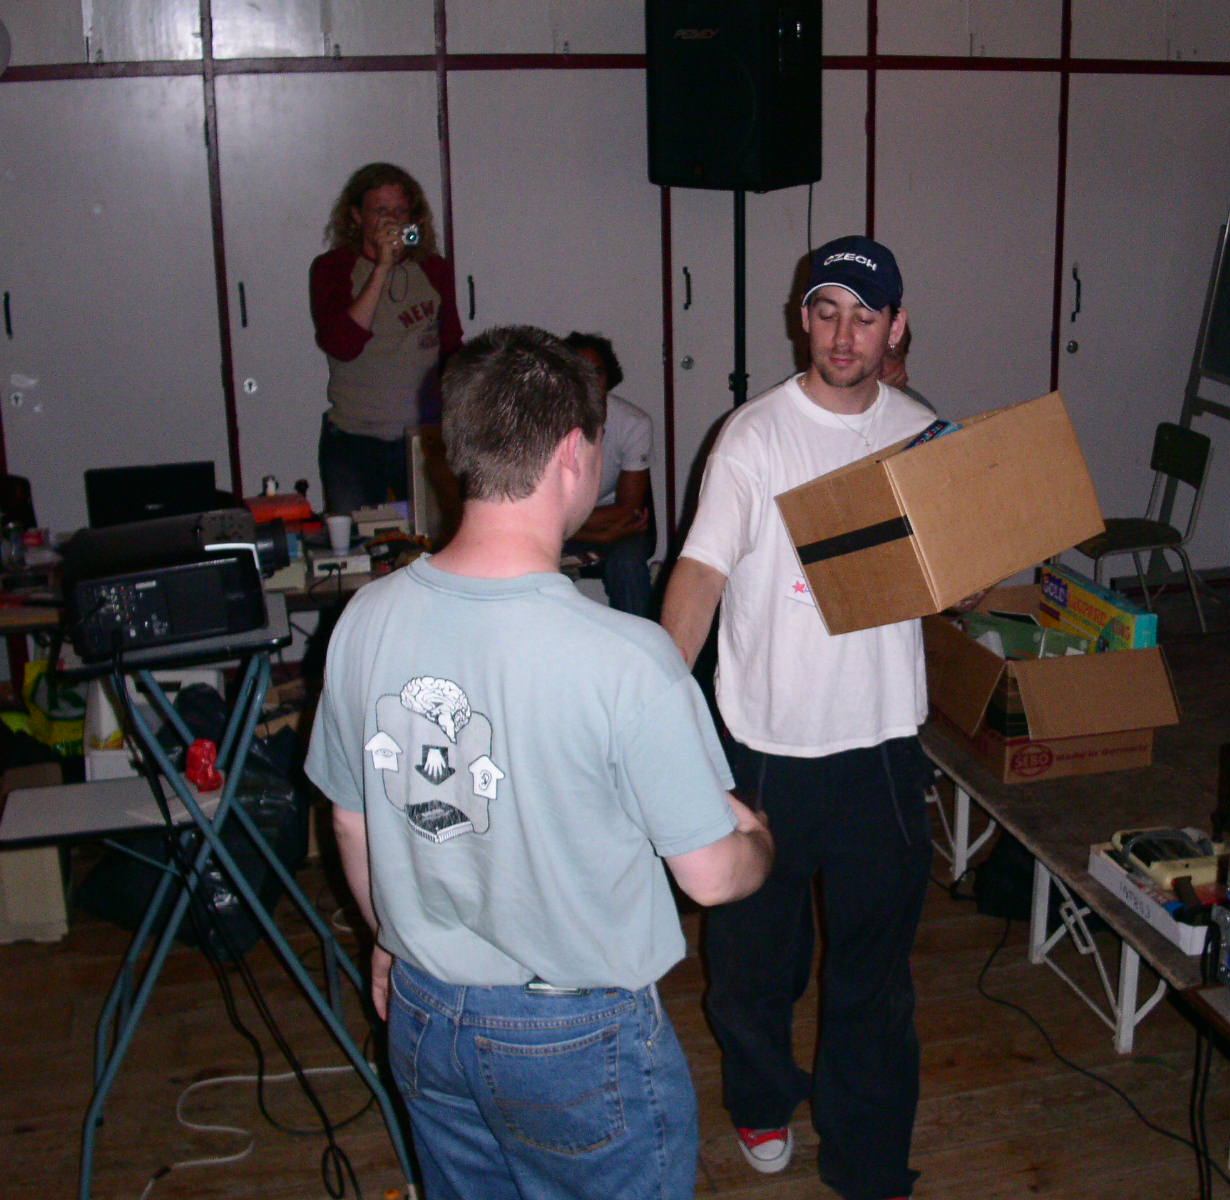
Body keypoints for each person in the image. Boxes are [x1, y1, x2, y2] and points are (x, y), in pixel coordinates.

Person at [304, 325, 774, 1200]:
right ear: (572, 454)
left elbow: (350, 818)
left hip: (424, 1011)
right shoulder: (627, 658)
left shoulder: (363, 620)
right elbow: (711, 878)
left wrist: (388, 941)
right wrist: (757, 841)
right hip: (575, 1039)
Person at [660, 235, 935, 1200]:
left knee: (875, 979)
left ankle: (866, 1160)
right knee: (753, 968)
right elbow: (700, 573)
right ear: (801, 317)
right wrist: (658, 700)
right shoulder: (753, 436)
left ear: (895, 326)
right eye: (826, 312)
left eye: (864, 316)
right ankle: (763, 1097)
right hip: (768, 752)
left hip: (885, 749)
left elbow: (953, 580)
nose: (843, 335)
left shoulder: (921, 434)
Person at [310, 162, 463, 516]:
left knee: (433, 535)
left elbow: (452, 345)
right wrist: (382, 267)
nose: (392, 221)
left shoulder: (433, 268)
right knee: (357, 540)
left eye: (400, 211)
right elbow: (343, 345)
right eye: (380, 211)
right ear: (357, 216)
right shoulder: (333, 268)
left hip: (424, 437)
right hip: (356, 438)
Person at [561, 331, 655, 616]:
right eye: (579, 373)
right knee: (528, 560)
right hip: (561, 523)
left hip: (609, 523)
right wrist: (594, 534)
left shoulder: (633, 423)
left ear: (609, 376)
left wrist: (568, 524)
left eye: (597, 373)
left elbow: (628, 510)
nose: (589, 382)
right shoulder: (546, 423)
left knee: (627, 562)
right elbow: (538, 512)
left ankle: (639, 642)